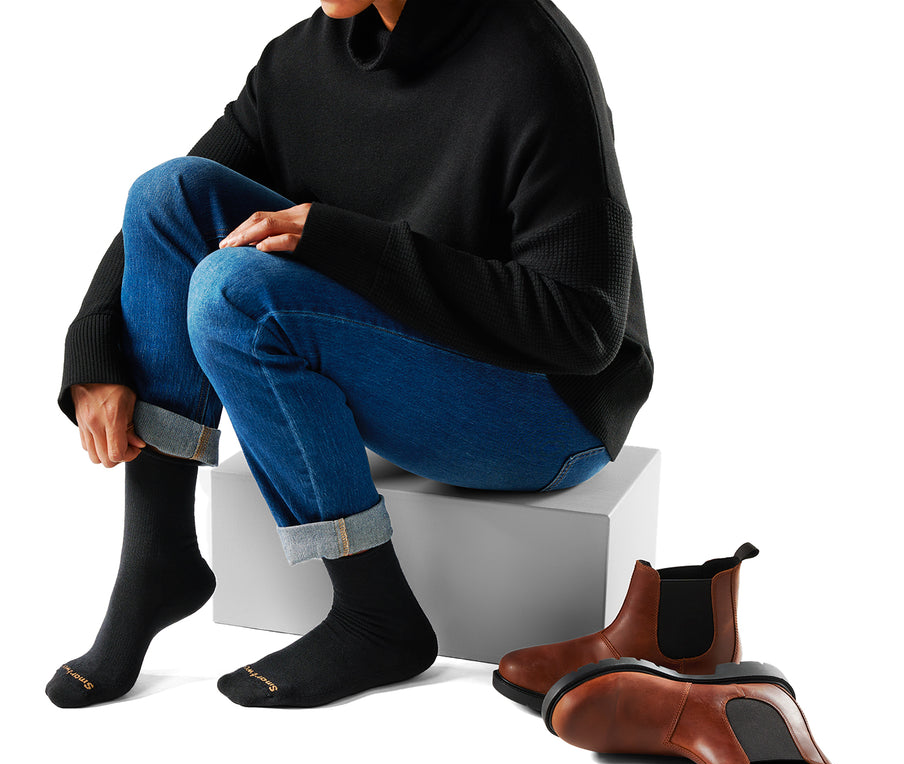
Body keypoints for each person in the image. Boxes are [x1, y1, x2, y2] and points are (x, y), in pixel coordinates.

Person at [46, 0, 652, 709]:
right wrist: (93, 347)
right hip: (408, 365)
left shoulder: (534, 60)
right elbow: (165, 219)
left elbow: (582, 328)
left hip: (545, 415)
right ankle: (159, 553)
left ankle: (375, 613)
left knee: (234, 292)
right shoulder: (302, 59)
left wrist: (342, 242)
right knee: (167, 193)